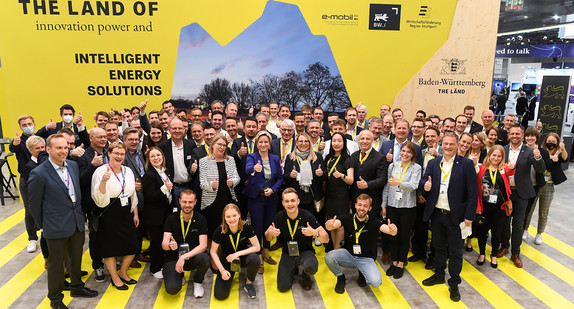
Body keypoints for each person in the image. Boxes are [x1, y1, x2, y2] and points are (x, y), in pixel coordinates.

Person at [28, 134, 98, 308]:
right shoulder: (39, 173)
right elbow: (34, 205)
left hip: (76, 221)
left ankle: (76, 286)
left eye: (66, 147)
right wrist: (44, 225)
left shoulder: (73, 166)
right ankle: (56, 298)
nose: (63, 151)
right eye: (59, 148)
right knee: (56, 265)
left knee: (76, 258)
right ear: (48, 149)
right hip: (54, 225)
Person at [419, 133, 478, 302]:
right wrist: (425, 185)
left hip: (457, 217)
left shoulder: (466, 164)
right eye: (445, 143)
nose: (448, 146)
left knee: (455, 251)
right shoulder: (433, 163)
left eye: (452, 144)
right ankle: (438, 275)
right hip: (437, 213)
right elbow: (423, 180)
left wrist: (469, 216)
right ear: (441, 144)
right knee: (438, 247)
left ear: (458, 145)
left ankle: (454, 283)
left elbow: (473, 193)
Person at [91, 142, 140, 290]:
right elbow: (98, 198)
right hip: (108, 212)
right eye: (116, 153)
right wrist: (104, 181)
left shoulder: (127, 171)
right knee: (110, 248)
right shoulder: (101, 171)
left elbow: (133, 194)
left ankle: (123, 272)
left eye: (122, 154)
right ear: (109, 154)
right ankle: (115, 277)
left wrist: (135, 213)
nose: (119, 156)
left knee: (133, 245)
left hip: (125, 212)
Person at [325, 194, 397, 293]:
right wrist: (329, 226)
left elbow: (388, 230)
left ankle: (362, 272)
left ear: (370, 208)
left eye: (365, 206)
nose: (361, 208)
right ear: (355, 205)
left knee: (375, 282)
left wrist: (393, 230)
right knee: (329, 257)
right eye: (359, 205)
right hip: (349, 255)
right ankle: (340, 277)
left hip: (366, 259)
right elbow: (334, 225)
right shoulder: (347, 217)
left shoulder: (374, 221)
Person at [265, 188, 329, 292]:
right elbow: (267, 237)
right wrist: (270, 234)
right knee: (283, 287)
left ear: (298, 201)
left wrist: (314, 233)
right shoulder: (279, 217)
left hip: (305, 252)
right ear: (282, 203)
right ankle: (292, 269)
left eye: (293, 200)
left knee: (312, 266)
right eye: (287, 201)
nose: (290, 204)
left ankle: (306, 274)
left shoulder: (307, 216)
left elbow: (326, 238)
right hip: (288, 253)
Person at [499, 125, 545, 268]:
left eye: (517, 134)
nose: (514, 136)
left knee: (518, 223)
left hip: (521, 193)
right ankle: (505, 246)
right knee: (504, 221)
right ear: (509, 135)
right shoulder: (502, 149)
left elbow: (540, 169)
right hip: (505, 192)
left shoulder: (530, 151)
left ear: (522, 135)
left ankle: (515, 253)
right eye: (512, 133)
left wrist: (538, 158)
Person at [243, 131, 283, 273]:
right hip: (256, 198)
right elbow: (248, 169)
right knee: (257, 227)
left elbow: (280, 178)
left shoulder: (275, 158)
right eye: (261, 142)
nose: (263, 144)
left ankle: (266, 251)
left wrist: (273, 189)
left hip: (271, 198)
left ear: (269, 143)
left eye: (266, 142)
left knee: (268, 226)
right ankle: (258, 254)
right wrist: (254, 168)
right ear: (257, 143)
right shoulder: (251, 157)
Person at [382, 141, 422, 278]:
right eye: (403, 151)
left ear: (413, 155)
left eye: (408, 152)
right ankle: (394, 262)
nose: (405, 154)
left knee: (404, 236)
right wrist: (383, 205)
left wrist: (399, 183)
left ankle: (400, 263)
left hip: (408, 207)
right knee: (393, 235)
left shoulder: (416, 168)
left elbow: (414, 185)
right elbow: (387, 186)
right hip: (392, 205)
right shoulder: (393, 165)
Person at [162, 189, 210, 297]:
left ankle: (198, 282)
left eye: (190, 202)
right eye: (184, 202)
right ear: (179, 201)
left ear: (195, 202)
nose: (187, 205)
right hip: (173, 258)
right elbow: (164, 244)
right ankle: (180, 275)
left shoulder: (201, 219)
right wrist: (169, 246)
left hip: (192, 257)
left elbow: (203, 245)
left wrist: (183, 257)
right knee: (172, 289)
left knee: (205, 258)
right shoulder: (171, 218)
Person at [524, 132, 567, 245]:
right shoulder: (542, 151)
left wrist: (562, 149)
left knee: (543, 212)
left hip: (549, 186)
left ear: (557, 142)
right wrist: (552, 160)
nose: (551, 143)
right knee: (530, 209)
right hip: (537, 184)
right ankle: (525, 229)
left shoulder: (558, 153)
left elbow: (565, 159)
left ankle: (539, 234)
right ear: (545, 141)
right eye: (549, 141)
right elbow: (544, 166)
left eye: (553, 142)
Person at [211, 204, 261, 300]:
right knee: (220, 295)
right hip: (227, 259)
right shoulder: (219, 231)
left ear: (239, 215)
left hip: (242, 256)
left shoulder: (246, 227)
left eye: (234, 215)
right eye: (228, 216)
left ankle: (249, 283)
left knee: (255, 259)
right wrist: (222, 270)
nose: (232, 219)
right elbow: (213, 251)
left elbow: (257, 247)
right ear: (224, 218)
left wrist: (237, 254)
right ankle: (227, 274)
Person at [476, 146, 515, 268]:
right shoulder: (481, 168)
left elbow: (511, 171)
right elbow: (476, 188)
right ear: (489, 155)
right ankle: (482, 253)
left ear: (502, 158)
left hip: (500, 208)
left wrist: (512, 166)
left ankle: (493, 255)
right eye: (494, 155)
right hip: (484, 206)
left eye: (499, 156)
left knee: (497, 233)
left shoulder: (503, 169)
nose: (496, 158)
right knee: (482, 231)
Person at [199, 134, 240, 235]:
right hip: (211, 203)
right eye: (219, 144)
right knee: (213, 230)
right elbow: (202, 183)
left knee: (228, 229)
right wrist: (211, 186)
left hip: (228, 199)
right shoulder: (204, 161)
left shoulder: (230, 160)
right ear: (213, 145)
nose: (222, 147)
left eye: (224, 145)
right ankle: (212, 250)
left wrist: (232, 183)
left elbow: (237, 177)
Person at [142, 147, 174, 279]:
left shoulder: (165, 172)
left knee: (163, 240)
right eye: (153, 156)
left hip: (165, 213)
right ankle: (155, 268)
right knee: (156, 243)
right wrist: (164, 188)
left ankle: (162, 264)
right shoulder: (148, 176)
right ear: (149, 159)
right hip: (154, 216)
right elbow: (150, 197)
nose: (156, 158)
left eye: (158, 155)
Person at [283, 133, 326, 222]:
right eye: (301, 141)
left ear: (309, 143)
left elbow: (325, 175)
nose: (303, 143)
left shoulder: (317, 156)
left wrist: (321, 174)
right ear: (296, 143)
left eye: (306, 141)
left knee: (313, 223)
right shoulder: (290, 157)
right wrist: (291, 176)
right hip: (296, 198)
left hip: (313, 197)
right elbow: (285, 178)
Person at [11, 115, 39, 252]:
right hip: (26, 180)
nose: (28, 126)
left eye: (30, 123)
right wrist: (14, 144)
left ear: (34, 123)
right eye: (24, 125)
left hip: (44, 178)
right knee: (29, 211)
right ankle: (32, 239)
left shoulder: (41, 140)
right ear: (20, 127)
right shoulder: (19, 141)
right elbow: (13, 148)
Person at [324, 133, 354, 249]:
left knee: (340, 224)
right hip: (329, 194)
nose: (336, 143)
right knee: (331, 222)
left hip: (341, 196)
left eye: (339, 141)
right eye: (334, 141)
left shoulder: (347, 159)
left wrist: (341, 175)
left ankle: (338, 250)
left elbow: (351, 180)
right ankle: (334, 247)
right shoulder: (328, 158)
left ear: (344, 143)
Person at [158, 118, 196, 208]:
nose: (177, 131)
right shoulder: (162, 147)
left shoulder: (191, 145)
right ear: (169, 130)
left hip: (189, 186)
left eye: (180, 128)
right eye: (174, 128)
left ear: (184, 130)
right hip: (172, 188)